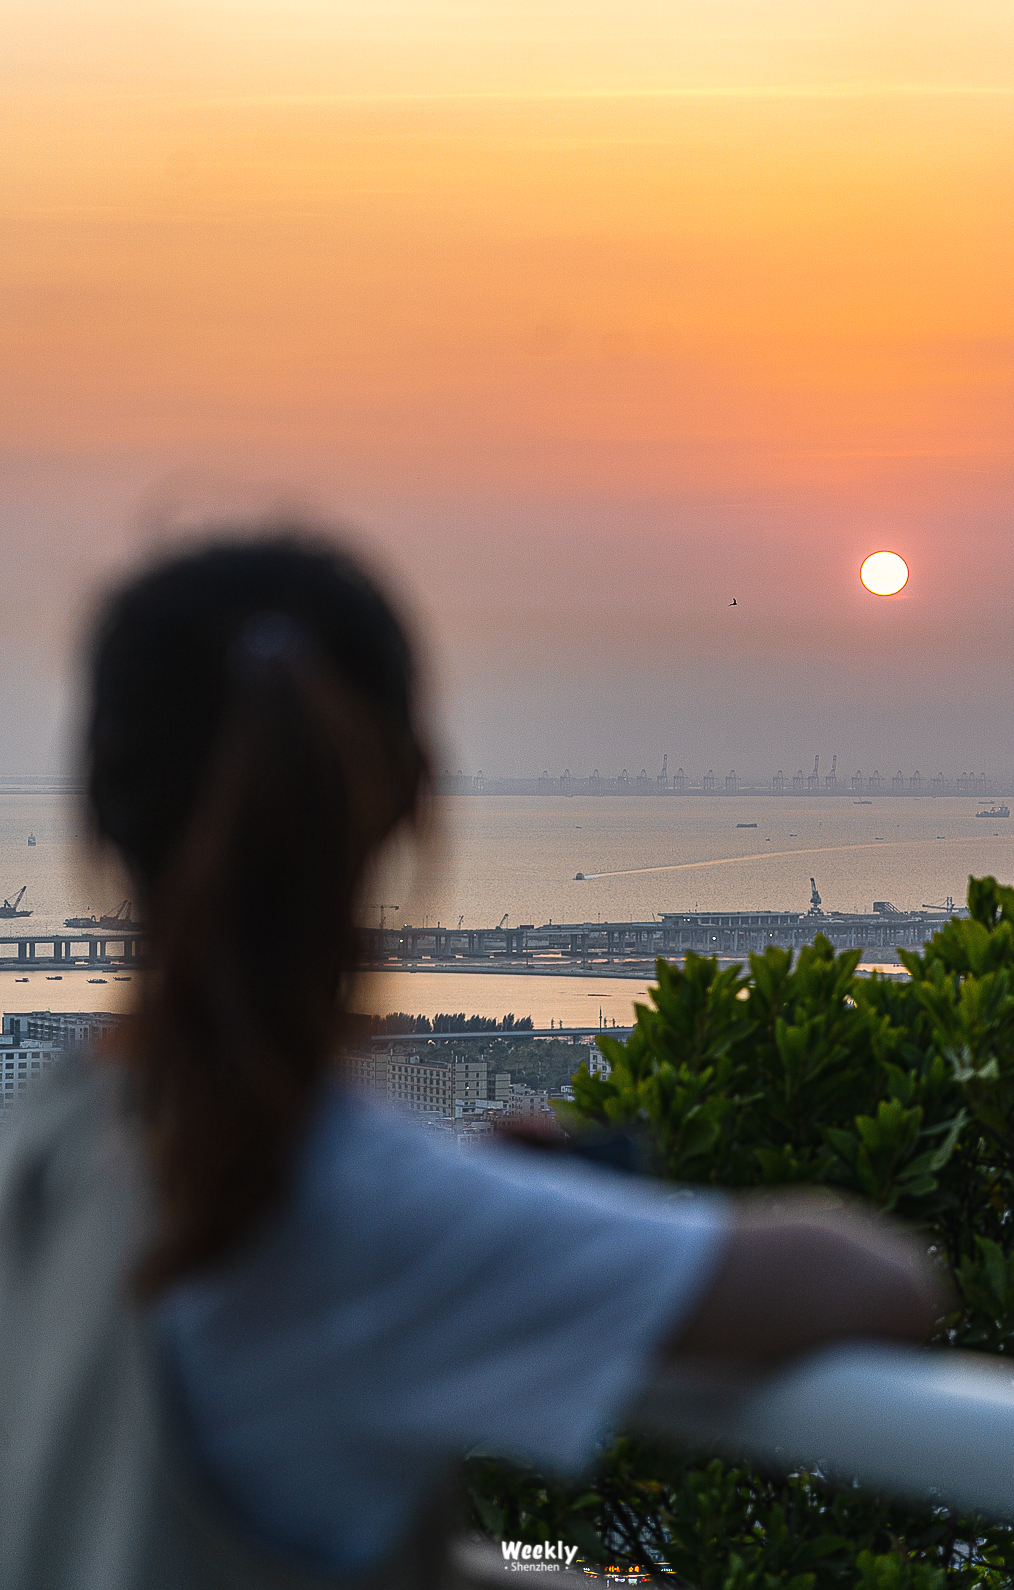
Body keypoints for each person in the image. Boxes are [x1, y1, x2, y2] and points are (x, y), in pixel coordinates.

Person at [0, 537, 943, 1590]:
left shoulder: (53, 1130)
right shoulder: (341, 1204)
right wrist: (505, 1193)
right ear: (412, 796)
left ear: (93, 808)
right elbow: (880, 1284)